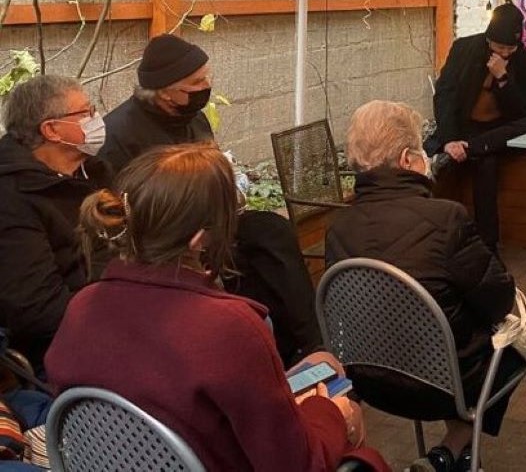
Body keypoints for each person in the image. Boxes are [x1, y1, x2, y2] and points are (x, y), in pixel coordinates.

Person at [45, 144, 389, 472]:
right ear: (199, 239)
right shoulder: (227, 325)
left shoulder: (82, 307)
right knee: (349, 420)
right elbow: (296, 464)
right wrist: (329, 411)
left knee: (321, 363)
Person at [100, 34, 322, 367]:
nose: (207, 86)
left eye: (207, 77)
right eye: (197, 82)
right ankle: (262, 351)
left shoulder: (194, 118)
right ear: (165, 90)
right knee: (248, 264)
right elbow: (123, 213)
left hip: (214, 220)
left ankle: (309, 345)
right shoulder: (118, 135)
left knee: (271, 231)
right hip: (167, 242)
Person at [327, 100, 519, 472]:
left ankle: (454, 455)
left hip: (370, 380)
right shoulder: (445, 219)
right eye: (420, 151)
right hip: (444, 388)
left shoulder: (339, 227)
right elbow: (498, 301)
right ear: (406, 160)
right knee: (516, 344)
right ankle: (454, 447)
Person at [0, 76, 113, 370]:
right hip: (61, 348)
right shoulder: (11, 198)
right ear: (51, 129)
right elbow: (39, 312)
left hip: (115, 308)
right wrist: (123, 308)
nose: (96, 120)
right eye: (86, 113)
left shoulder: (93, 171)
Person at [425, 3, 526, 252]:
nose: (503, 53)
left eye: (509, 48)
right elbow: (445, 95)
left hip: (497, 134)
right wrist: (450, 139)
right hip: (465, 130)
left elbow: (522, 112)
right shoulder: (465, 49)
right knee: (485, 163)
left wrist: (503, 78)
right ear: (488, 40)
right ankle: (481, 243)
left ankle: (488, 245)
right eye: (498, 47)